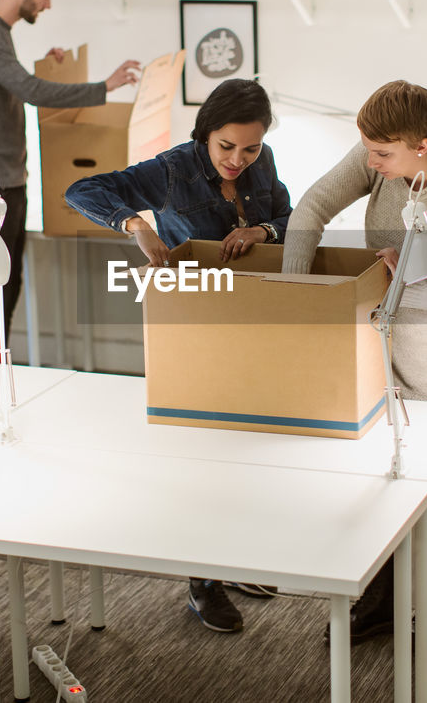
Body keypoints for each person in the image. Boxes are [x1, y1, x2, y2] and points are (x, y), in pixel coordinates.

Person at [281, 79, 427, 644]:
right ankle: (380, 601)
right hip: (385, 354)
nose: (370, 162)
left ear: (423, 144)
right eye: (367, 150)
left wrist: (397, 293)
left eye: (382, 153)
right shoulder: (381, 157)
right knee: (386, 480)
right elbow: (311, 205)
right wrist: (292, 286)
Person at [64, 78, 291, 634]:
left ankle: (232, 561)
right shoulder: (171, 169)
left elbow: (293, 219)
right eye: (226, 148)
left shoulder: (263, 166)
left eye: (251, 148)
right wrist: (136, 223)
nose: (239, 160)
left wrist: (262, 228)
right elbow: (83, 190)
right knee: (202, 458)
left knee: (248, 452)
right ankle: (202, 582)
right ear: (205, 135)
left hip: (253, 320)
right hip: (194, 326)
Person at [0, 0, 140, 362]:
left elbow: (13, 85)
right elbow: (30, 92)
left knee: (4, 293)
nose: (48, 4)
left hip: (7, 182)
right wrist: (104, 86)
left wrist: (53, 68)